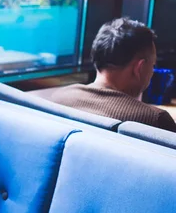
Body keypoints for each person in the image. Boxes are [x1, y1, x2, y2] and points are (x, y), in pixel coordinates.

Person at [48, 17, 176, 132]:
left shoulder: (59, 98)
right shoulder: (155, 121)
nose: (152, 72)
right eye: (152, 65)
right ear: (140, 68)